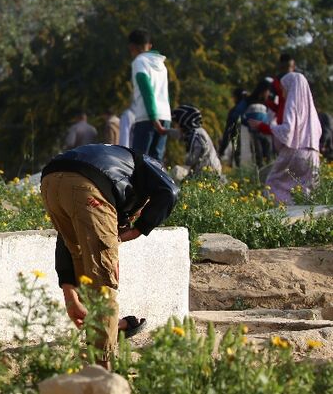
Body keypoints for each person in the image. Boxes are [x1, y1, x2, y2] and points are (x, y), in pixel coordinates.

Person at [40, 144, 178, 370]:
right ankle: (103, 371)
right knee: (104, 282)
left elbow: (67, 241)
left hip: (50, 181)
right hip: (89, 188)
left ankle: (111, 331)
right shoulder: (146, 163)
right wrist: (136, 230)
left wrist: (70, 295)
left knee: (83, 260)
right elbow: (169, 192)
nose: (127, 221)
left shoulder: (112, 161)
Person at [248, 72, 321, 204]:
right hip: (313, 155)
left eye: (283, 89)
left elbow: (288, 130)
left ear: (290, 87)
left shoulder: (292, 104)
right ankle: (304, 221)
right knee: (306, 193)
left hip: (295, 152)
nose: (282, 93)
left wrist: (266, 127)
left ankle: (281, 219)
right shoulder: (310, 110)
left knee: (273, 184)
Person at [127, 29, 172, 161]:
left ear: (132, 47)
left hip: (147, 117)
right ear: (149, 46)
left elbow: (147, 91)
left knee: (139, 160)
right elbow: (165, 93)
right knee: (156, 161)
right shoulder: (162, 64)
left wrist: (153, 118)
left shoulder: (139, 62)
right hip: (165, 115)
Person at [169, 105, 222, 179]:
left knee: (176, 172)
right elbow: (179, 134)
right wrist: (164, 131)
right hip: (206, 170)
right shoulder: (194, 131)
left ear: (184, 122)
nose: (176, 126)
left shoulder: (196, 135)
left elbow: (199, 149)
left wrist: (188, 163)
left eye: (177, 123)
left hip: (208, 172)